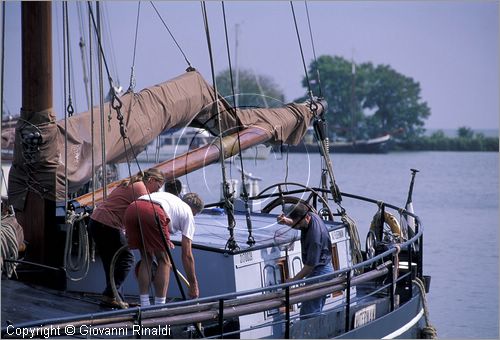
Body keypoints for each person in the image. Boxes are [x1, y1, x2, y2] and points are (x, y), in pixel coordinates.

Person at [87, 168, 165, 308]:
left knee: (111, 263)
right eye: (157, 187)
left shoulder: (133, 184)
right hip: (108, 224)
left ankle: (115, 297)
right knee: (126, 259)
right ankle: (110, 295)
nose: (156, 192)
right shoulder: (141, 189)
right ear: (152, 180)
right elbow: (144, 214)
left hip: (96, 222)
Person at [124, 192, 204, 307]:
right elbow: (187, 254)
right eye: (195, 214)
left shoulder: (173, 201)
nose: (194, 216)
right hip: (153, 212)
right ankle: (159, 307)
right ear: (194, 210)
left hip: (132, 208)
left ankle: (144, 304)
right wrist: (193, 284)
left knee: (146, 257)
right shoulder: (188, 213)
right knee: (164, 261)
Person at [277, 202, 333, 318]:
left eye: (297, 225)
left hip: (320, 271)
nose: (296, 227)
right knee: (315, 307)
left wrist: (294, 280)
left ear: (306, 218)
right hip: (323, 267)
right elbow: (299, 222)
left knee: (308, 313)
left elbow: (310, 266)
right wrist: (286, 221)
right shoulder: (310, 215)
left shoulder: (314, 238)